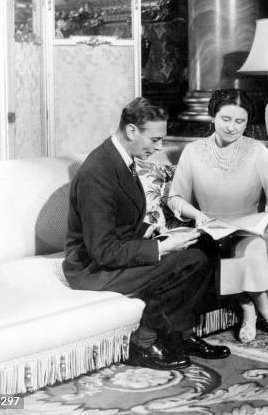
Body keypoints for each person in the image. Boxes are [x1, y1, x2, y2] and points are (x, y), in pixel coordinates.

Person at [63, 97, 230, 371]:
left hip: (117, 252)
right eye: (154, 139)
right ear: (131, 131)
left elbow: (118, 220)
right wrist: (162, 248)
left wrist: (153, 231)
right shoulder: (98, 172)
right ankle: (142, 342)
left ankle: (180, 334)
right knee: (191, 261)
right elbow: (102, 251)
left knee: (207, 245)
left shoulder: (120, 158)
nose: (159, 147)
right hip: (92, 270)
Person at [168, 89, 268, 343]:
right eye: (226, 119)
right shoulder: (192, 151)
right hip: (209, 228)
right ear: (213, 116)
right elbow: (175, 198)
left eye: (239, 121)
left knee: (248, 243)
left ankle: (251, 312)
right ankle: (262, 311)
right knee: (236, 245)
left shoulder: (257, 150)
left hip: (248, 227)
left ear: (247, 123)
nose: (232, 127)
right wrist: (198, 215)